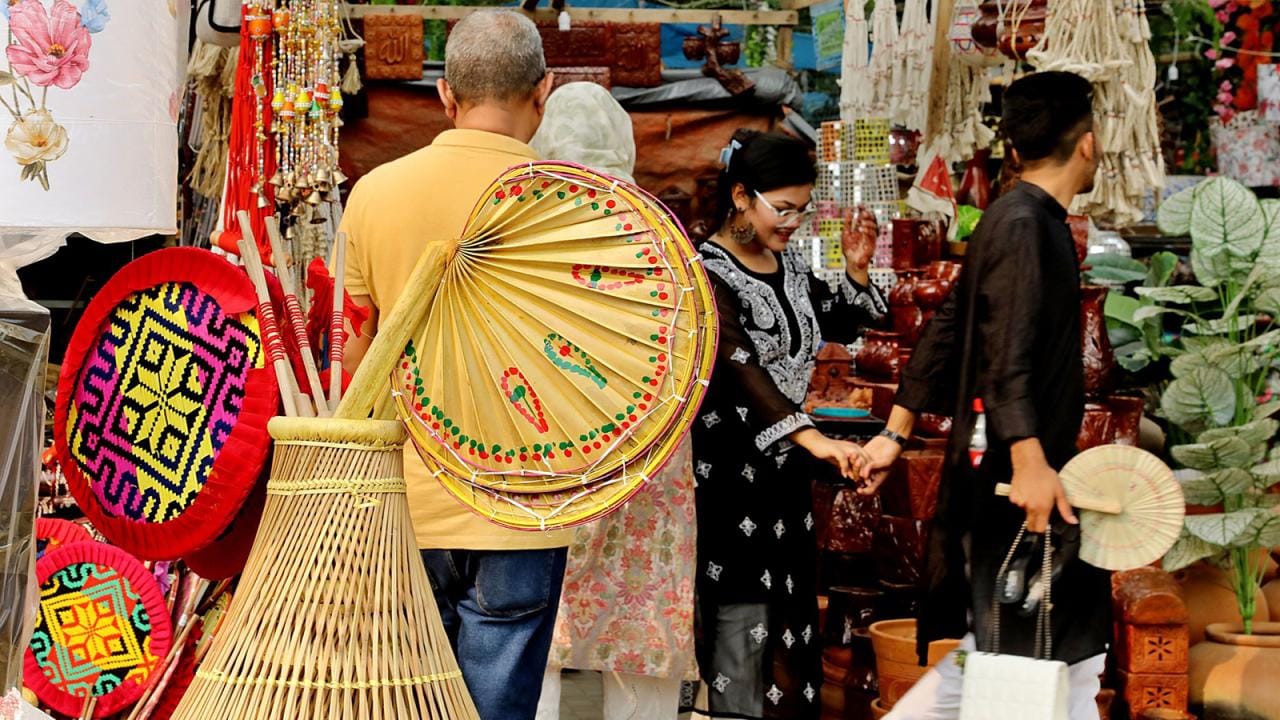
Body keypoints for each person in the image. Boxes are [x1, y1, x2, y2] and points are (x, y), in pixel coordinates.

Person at [855, 71, 1108, 720]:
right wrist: (1029, 459)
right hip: (1017, 477)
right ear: (1088, 144)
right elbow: (1004, 355)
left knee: (1032, 658)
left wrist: (894, 432)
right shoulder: (1026, 224)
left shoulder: (1014, 216)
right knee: (1030, 657)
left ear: (1017, 151)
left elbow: (947, 327)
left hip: (1012, 469)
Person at [338, 11, 568, 720]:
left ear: (445, 95)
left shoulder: (375, 192)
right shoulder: (572, 202)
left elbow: (357, 350)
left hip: (409, 492)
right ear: (545, 91)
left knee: (405, 698)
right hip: (525, 499)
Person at [689, 129, 886, 719]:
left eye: (804, 209)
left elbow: (836, 319)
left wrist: (854, 271)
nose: (795, 222)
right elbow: (738, 366)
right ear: (741, 196)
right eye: (784, 208)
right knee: (739, 611)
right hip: (726, 474)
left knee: (792, 610)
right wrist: (812, 436)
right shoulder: (707, 273)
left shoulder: (788, 263)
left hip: (785, 477)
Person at [528, 81, 698, 720]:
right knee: (644, 618)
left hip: (553, 446)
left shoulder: (527, 230)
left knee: (539, 622)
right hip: (649, 447)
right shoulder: (661, 235)